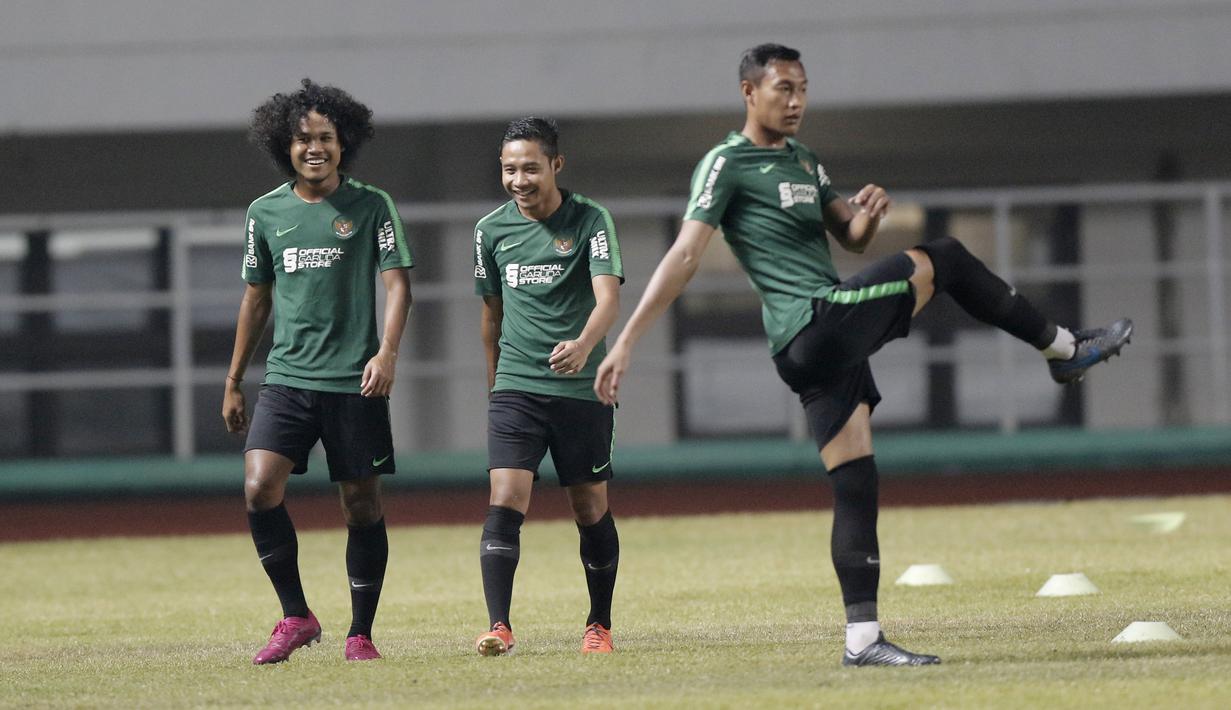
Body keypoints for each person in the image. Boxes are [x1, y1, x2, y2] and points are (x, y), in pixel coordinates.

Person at [594, 44, 1132, 666]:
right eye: (782, 89)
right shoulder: (726, 163)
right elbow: (686, 255)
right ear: (749, 93)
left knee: (856, 483)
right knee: (949, 257)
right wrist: (628, 339)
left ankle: (863, 641)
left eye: (803, 89)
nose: (796, 101)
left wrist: (868, 218)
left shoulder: (804, 161)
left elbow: (848, 237)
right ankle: (1064, 348)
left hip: (826, 341)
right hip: (811, 325)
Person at [222, 78, 414, 664]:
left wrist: (386, 353)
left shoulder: (371, 205)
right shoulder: (265, 212)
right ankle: (296, 615)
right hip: (286, 379)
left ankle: (361, 632)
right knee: (259, 487)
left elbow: (399, 285)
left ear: (343, 143)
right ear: (285, 144)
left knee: (361, 505)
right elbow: (256, 299)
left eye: (326, 138)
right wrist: (233, 380)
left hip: (354, 382)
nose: (314, 148)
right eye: (303, 138)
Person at [472, 117, 624, 656]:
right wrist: (496, 386)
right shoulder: (490, 230)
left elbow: (608, 297)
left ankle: (599, 625)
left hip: (582, 390)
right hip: (516, 388)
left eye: (530, 168)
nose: (519, 179)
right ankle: (498, 626)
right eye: (510, 169)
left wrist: (584, 345)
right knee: (506, 495)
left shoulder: (591, 219)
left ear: (556, 166)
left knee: (589, 507)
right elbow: (491, 315)